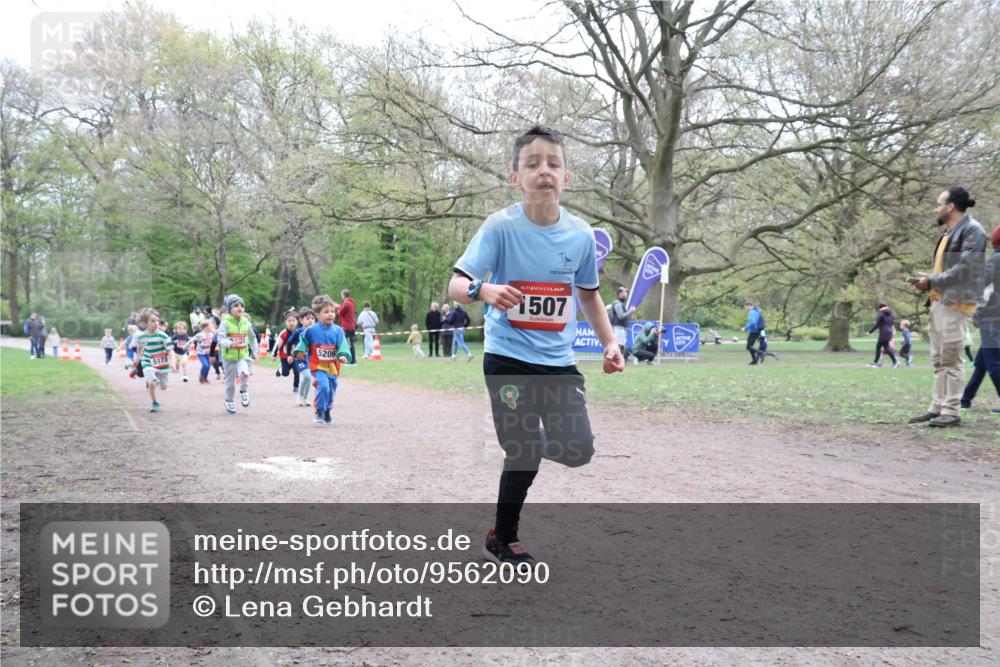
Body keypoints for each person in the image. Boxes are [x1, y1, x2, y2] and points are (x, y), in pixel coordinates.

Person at [448, 125, 625, 566]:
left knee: (579, 450)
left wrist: (609, 342)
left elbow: (588, 294)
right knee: (523, 453)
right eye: (532, 164)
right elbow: (457, 283)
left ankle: (531, 440)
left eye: (553, 163)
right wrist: (483, 292)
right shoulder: (500, 228)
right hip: (507, 357)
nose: (544, 171)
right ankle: (502, 536)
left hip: (557, 360)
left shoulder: (581, 235)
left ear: (566, 178)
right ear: (515, 177)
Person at [909, 186, 988, 427]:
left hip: (956, 302)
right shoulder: (949, 232)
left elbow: (965, 268)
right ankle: (937, 407)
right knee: (938, 358)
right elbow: (949, 269)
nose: (935, 208)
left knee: (951, 358)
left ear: (950, 206)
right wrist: (929, 280)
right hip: (939, 301)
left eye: (938, 203)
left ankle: (952, 410)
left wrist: (932, 280)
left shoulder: (973, 231)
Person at [960, 223, 1000, 413]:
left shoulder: (995, 260)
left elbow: (985, 291)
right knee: (982, 362)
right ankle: (965, 398)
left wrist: (978, 314)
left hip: (992, 318)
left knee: (993, 362)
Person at [294, 295, 351, 424]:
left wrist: (344, 355)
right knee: (323, 386)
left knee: (331, 389)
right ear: (317, 315)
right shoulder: (311, 331)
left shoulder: (338, 331)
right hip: (318, 365)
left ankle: (327, 410)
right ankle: (319, 411)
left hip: (333, 366)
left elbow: (343, 346)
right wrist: (299, 352)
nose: (330, 315)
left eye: (332, 312)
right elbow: (302, 342)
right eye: (326, 312)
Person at [217, 294, 258, 414]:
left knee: (245, 374)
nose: (240, 308)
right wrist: (230, 343)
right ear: (230, 309)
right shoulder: (225, 323)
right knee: (230, 384)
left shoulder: (246, 322)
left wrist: (255, 351)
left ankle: (244, 391)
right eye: (236, 306)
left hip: (243, 356)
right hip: (229, 357)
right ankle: (229, 400)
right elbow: (220, 339)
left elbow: (252, 338)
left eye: (241, 306)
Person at [134, 309, 172, 413]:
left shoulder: (163, 335)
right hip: (148, 361)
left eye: (157, 321)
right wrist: (137, 359)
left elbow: (169, 349)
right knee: (151, 383)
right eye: (152, 321)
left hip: (162, 363)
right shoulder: (141, 336)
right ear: (145, 323)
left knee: (163, 387)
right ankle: (155, 402)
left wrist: (172, 362)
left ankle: (158, 380)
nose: (156, 323)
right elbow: (140, 348)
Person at [289, 307, 316, 407]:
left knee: (309, 379)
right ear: (301, 320)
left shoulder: (315, 332)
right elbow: (289, 342)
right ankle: (299, 396)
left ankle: (304, 398)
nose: (310, 320)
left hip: (310, 359)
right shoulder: (298, 332)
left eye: (313, 318)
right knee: (307, 376)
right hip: (300, 359)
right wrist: (289, 355)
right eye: (308, 318)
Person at [271, 311, 300, 393]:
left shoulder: (298, 332)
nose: (291, 322)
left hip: (294, 356)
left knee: (297, 371)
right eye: (289, 321)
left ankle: (296, 387)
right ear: (286, 322)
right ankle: (281, 368)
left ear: (297, 321)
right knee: (285, 374)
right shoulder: (284, 333)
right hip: (284, 356)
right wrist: (274, 355)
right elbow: (277, 344)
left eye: (293, 320)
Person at [865, 301, 898, 368]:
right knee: (879, 347)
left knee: (886, 348)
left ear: (880, 307)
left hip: (883, 333)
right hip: (889, 332)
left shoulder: (881, 313)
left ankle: (895, 361)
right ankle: (875, 362)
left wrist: (870, 331)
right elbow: (892, 322)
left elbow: (877, 324)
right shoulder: (890, 313)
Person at [610, 287, 636, 360]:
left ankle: (617, 361)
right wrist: (630, 310)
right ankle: (613, 360)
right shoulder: (618, 304)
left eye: (626, 293)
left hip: (621, 328)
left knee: (620, 346)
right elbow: (621, 316)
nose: (626, 295)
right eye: (624, 293)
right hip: (618, 328)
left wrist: (626, 327)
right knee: (617, 346)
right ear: (619, 294)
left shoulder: (620, 304)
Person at [338, 289, 358, 365]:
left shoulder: (346, 303)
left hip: (347, 326)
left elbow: (340, 313)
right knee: (350, 343)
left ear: (343, 295)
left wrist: (337, 308)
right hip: (351, 326)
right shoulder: (351, 303)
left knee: (348, 343)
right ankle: (352, 360)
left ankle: (352, 360)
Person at [191, 320, 214, 384]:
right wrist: (184, 347)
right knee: (205, 365)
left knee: (209, 366)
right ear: (206, 327)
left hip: (208, 353)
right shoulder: (199, 335)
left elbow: (215, 342)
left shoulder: (211, 335)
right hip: (201, 353)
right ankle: (201, 377)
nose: (212, 327)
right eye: (211, 326)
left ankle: (205, 378)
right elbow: (192, 341)